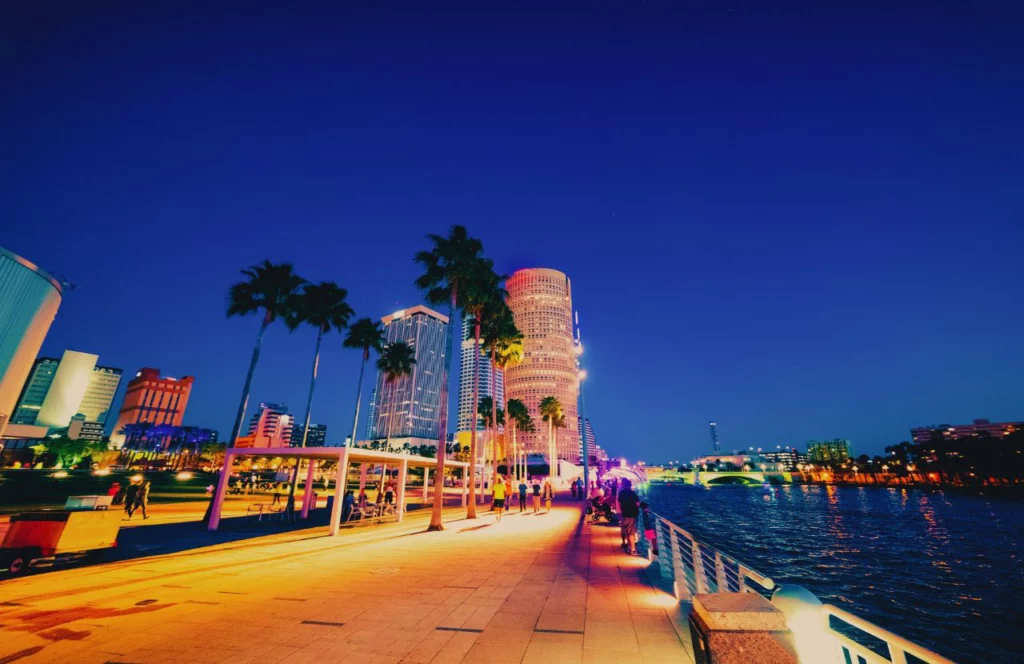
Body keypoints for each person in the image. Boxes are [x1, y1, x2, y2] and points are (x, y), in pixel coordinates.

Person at [617, 479, 640, 554]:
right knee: (631, 532)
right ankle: (633, 550)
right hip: (632, 514)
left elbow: (619, 503)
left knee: (626, 531)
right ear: (630, 485)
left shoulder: (621, 493)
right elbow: (637, 503)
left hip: (624, 514)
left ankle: (629, 547)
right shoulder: (632, 493)